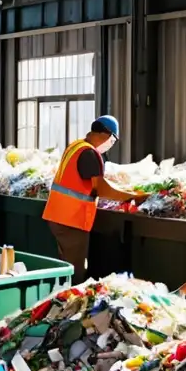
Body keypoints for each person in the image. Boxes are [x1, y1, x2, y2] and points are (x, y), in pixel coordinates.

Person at [42, 116, 146, 282]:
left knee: (65, 267)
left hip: (58, 215)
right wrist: (132, 196)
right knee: (75, 272)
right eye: (113, 140)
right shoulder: (90, 153)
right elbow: (101, 188)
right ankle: (68, 304)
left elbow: (91, 183)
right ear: (106, 134)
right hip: (71, 220)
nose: (111, 144)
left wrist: (125, 190)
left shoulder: (76, 146)